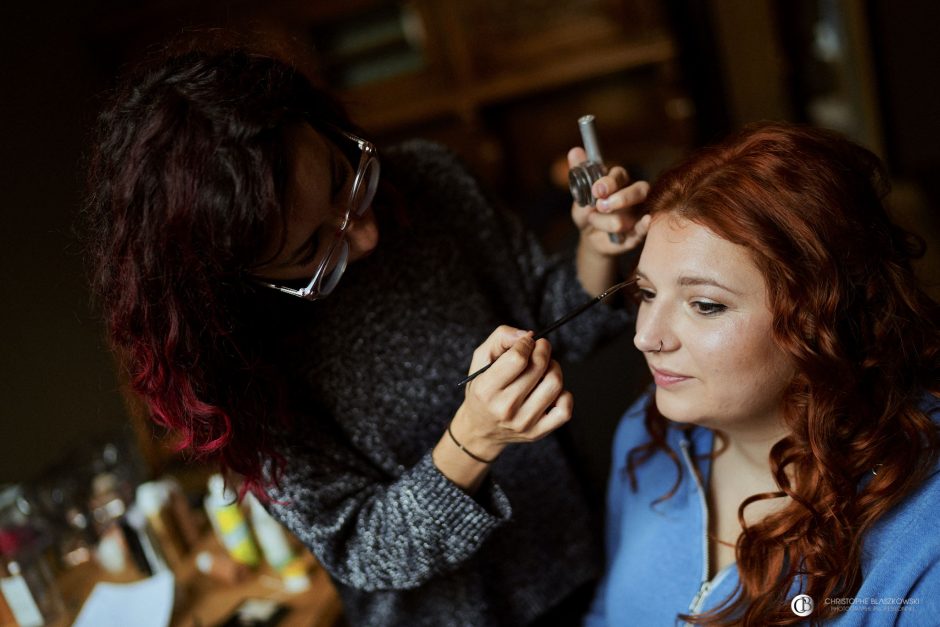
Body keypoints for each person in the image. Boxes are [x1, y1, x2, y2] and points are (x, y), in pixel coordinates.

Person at [84, 45, 651, 626]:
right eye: (311, 250)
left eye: (341, 180)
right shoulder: (239, 363)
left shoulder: (434, 181)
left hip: (581, 556)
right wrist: (473, 441)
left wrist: (598, 247)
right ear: (232, 278)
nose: (367, 236)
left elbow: (553, 314)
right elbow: (362, 547)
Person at [586, 122, 940, 626]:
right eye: (646, 293)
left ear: (822, 316)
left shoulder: (923, 539)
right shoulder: (648, 432)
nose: (647, 336)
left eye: (705, 305)